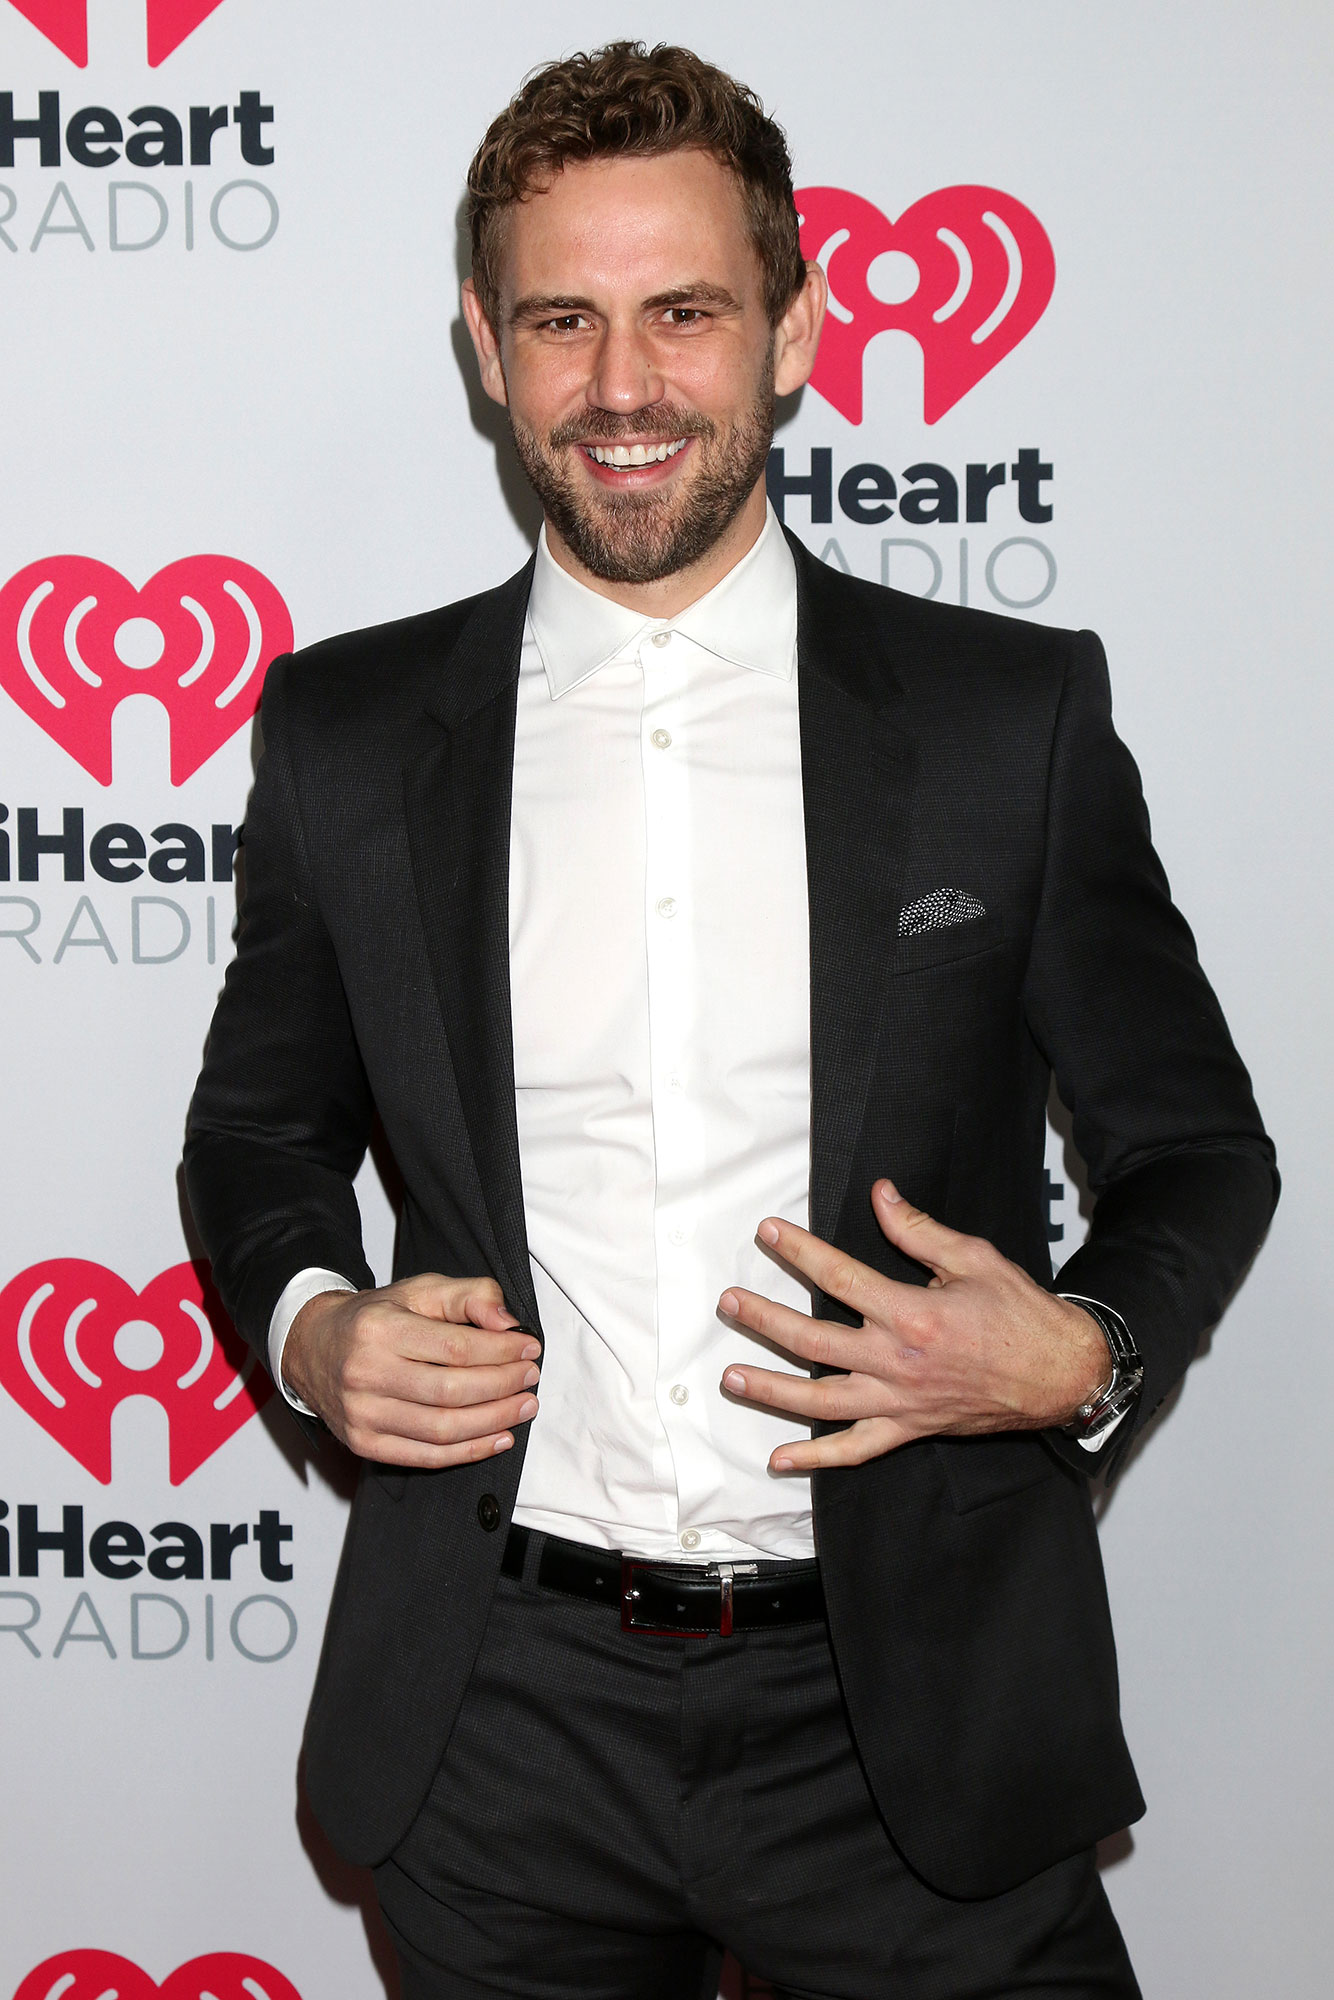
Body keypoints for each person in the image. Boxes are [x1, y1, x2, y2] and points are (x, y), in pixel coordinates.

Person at [184, 41, 1277, 2000]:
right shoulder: (345, 733)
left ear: (792, 329)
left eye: (682, 312)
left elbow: (1195, 1145)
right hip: (497, 1722)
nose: (622, 386)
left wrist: (1082, 1351)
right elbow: (257, 1134)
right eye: (562, 321)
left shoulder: (1002, 719)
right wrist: (313, 1328)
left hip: (913, 1712)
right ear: (485, 347)